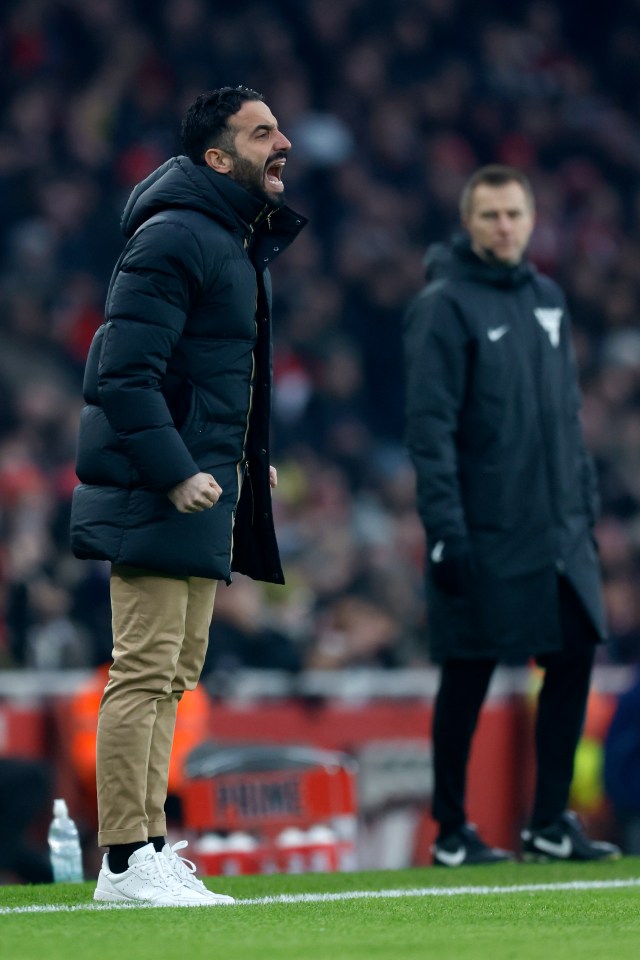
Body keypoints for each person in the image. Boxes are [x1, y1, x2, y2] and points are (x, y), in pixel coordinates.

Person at [70, 85, 306, 904]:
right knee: (142, 674)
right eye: (262, 133)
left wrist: (244, 456)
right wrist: (176, 469)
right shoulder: (176, 236)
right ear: (217, 157)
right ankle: (126, 860)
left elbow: (202, 377)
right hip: (156, 489)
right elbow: (122, 376)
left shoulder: (226, 237)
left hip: (200, 488)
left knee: (173, 675)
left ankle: (149, 848)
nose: (283, 143)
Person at [403, 164, 621, 867]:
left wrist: (582, 507)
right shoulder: (444, 306)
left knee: (573, 656)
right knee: (467, 670)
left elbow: (568, 413)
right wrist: (446, 530)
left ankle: (550, 821)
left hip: (559, 528)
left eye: (515, 214)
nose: (504, 226)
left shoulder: (549, 298)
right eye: (491, 214)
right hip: (485, 527)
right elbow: (429, 430)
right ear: (469, 222)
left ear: (532, 221)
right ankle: (451, 831)